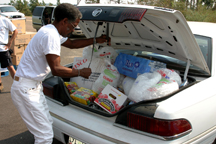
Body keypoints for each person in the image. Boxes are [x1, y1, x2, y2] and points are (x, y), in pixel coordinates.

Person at [10, 3, 110, 144]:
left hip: (32, 87)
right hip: (27, 89)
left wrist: (96, 40)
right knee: (44, 136)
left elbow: (72, 44)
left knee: (47, 125)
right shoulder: (50, 35)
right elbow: (56, 69)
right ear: (64, 21)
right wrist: (81, 72)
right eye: (73, 26)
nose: (72, 30)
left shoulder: (51, 31)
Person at [0, 15, 18, 92]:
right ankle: (0, 84)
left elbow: (15, 31)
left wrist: (9, 43)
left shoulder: (5, 20)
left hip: (3, 48)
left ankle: (18, 85)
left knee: (10, 67)